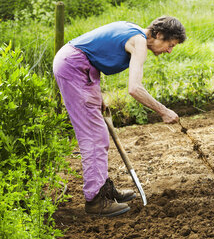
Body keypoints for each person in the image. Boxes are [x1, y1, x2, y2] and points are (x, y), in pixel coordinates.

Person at [53, 16, 187, 217]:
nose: (169, 50)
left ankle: (103, 189)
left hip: (82, 67)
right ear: (158, 34)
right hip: (73, 67)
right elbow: (134, 88)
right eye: (170, 44)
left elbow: (94, 55)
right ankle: (95, 200)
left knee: (99, 135)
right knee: (94, 136)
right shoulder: (139, 42)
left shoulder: (134, 31)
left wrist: (97, 97)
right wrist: (163, 111)